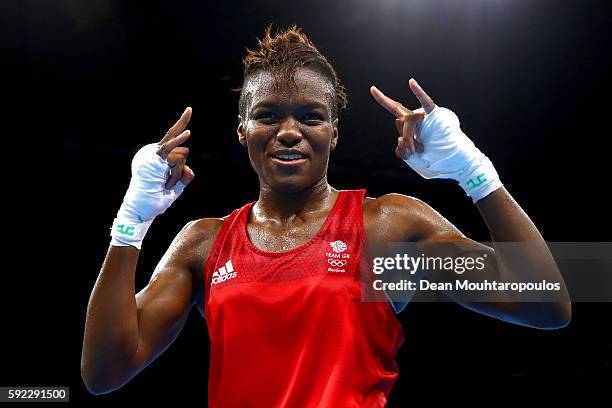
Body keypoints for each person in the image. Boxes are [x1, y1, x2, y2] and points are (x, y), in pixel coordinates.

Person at [81, 25, 571, 406]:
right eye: (268, 115)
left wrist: (475, 172)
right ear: (242, 130)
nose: (289, 132)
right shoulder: (203, 244)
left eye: (311, 116)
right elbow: (105, 373)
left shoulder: (384, 229)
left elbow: (547, 304)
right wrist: (131, 222)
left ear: (333, 133)